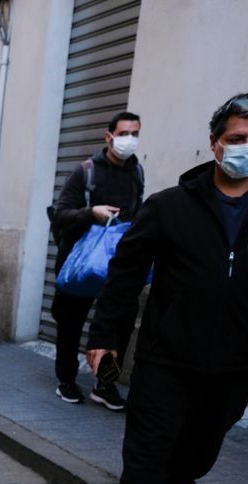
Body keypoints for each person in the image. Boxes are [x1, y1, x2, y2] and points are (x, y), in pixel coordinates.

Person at [86, 92, 248, 484]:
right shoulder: (170, 207)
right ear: (215, 144)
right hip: (166, 356)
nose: (247, 147)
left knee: (205, 441)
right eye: (237, 138)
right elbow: (124, 276)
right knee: (146, 450)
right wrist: (106, 339)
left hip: (237, 358)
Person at [51, 112, 144, 410]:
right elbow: (61, 214)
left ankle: (105, 385)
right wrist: (92, 213)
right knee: (70, 324)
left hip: (119, 267)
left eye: (135, 133)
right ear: (108, 137)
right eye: (124, 133)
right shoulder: (86, 172)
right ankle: (66, 379)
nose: (129, 140)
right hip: (81, 264)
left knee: (118, 328)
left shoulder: (136, 173)